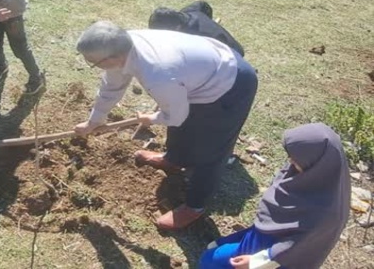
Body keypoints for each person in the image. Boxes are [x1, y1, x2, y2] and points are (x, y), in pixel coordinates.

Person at [74, 21, 258, 230]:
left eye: (92, 62)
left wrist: (152, 119)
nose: (92, 65)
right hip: (197, 76)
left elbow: (176, 116)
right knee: (181, 123)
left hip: (231, 83)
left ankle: (194, 207)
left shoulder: (158, 73)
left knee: (211, 150)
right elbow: (112, 85)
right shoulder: (122, 46)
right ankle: (174, 159)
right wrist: (94, 120)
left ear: (113, 57)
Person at [200, 123, 350, 269]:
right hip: (260, 236)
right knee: (212, 255)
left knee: (211, 261)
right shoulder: (306, 172)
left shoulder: (328, 213)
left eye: (295, 158)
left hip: (276, 254)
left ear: (317, 162)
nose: (290, 161)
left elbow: (299, 247)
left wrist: (257, 261)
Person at [149, 1, 245, 56]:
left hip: (233, 57)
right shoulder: (190, 12)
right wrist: (208, 19)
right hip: (234, 47)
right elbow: (203, 4)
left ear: (176, 28)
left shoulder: (192, 39)